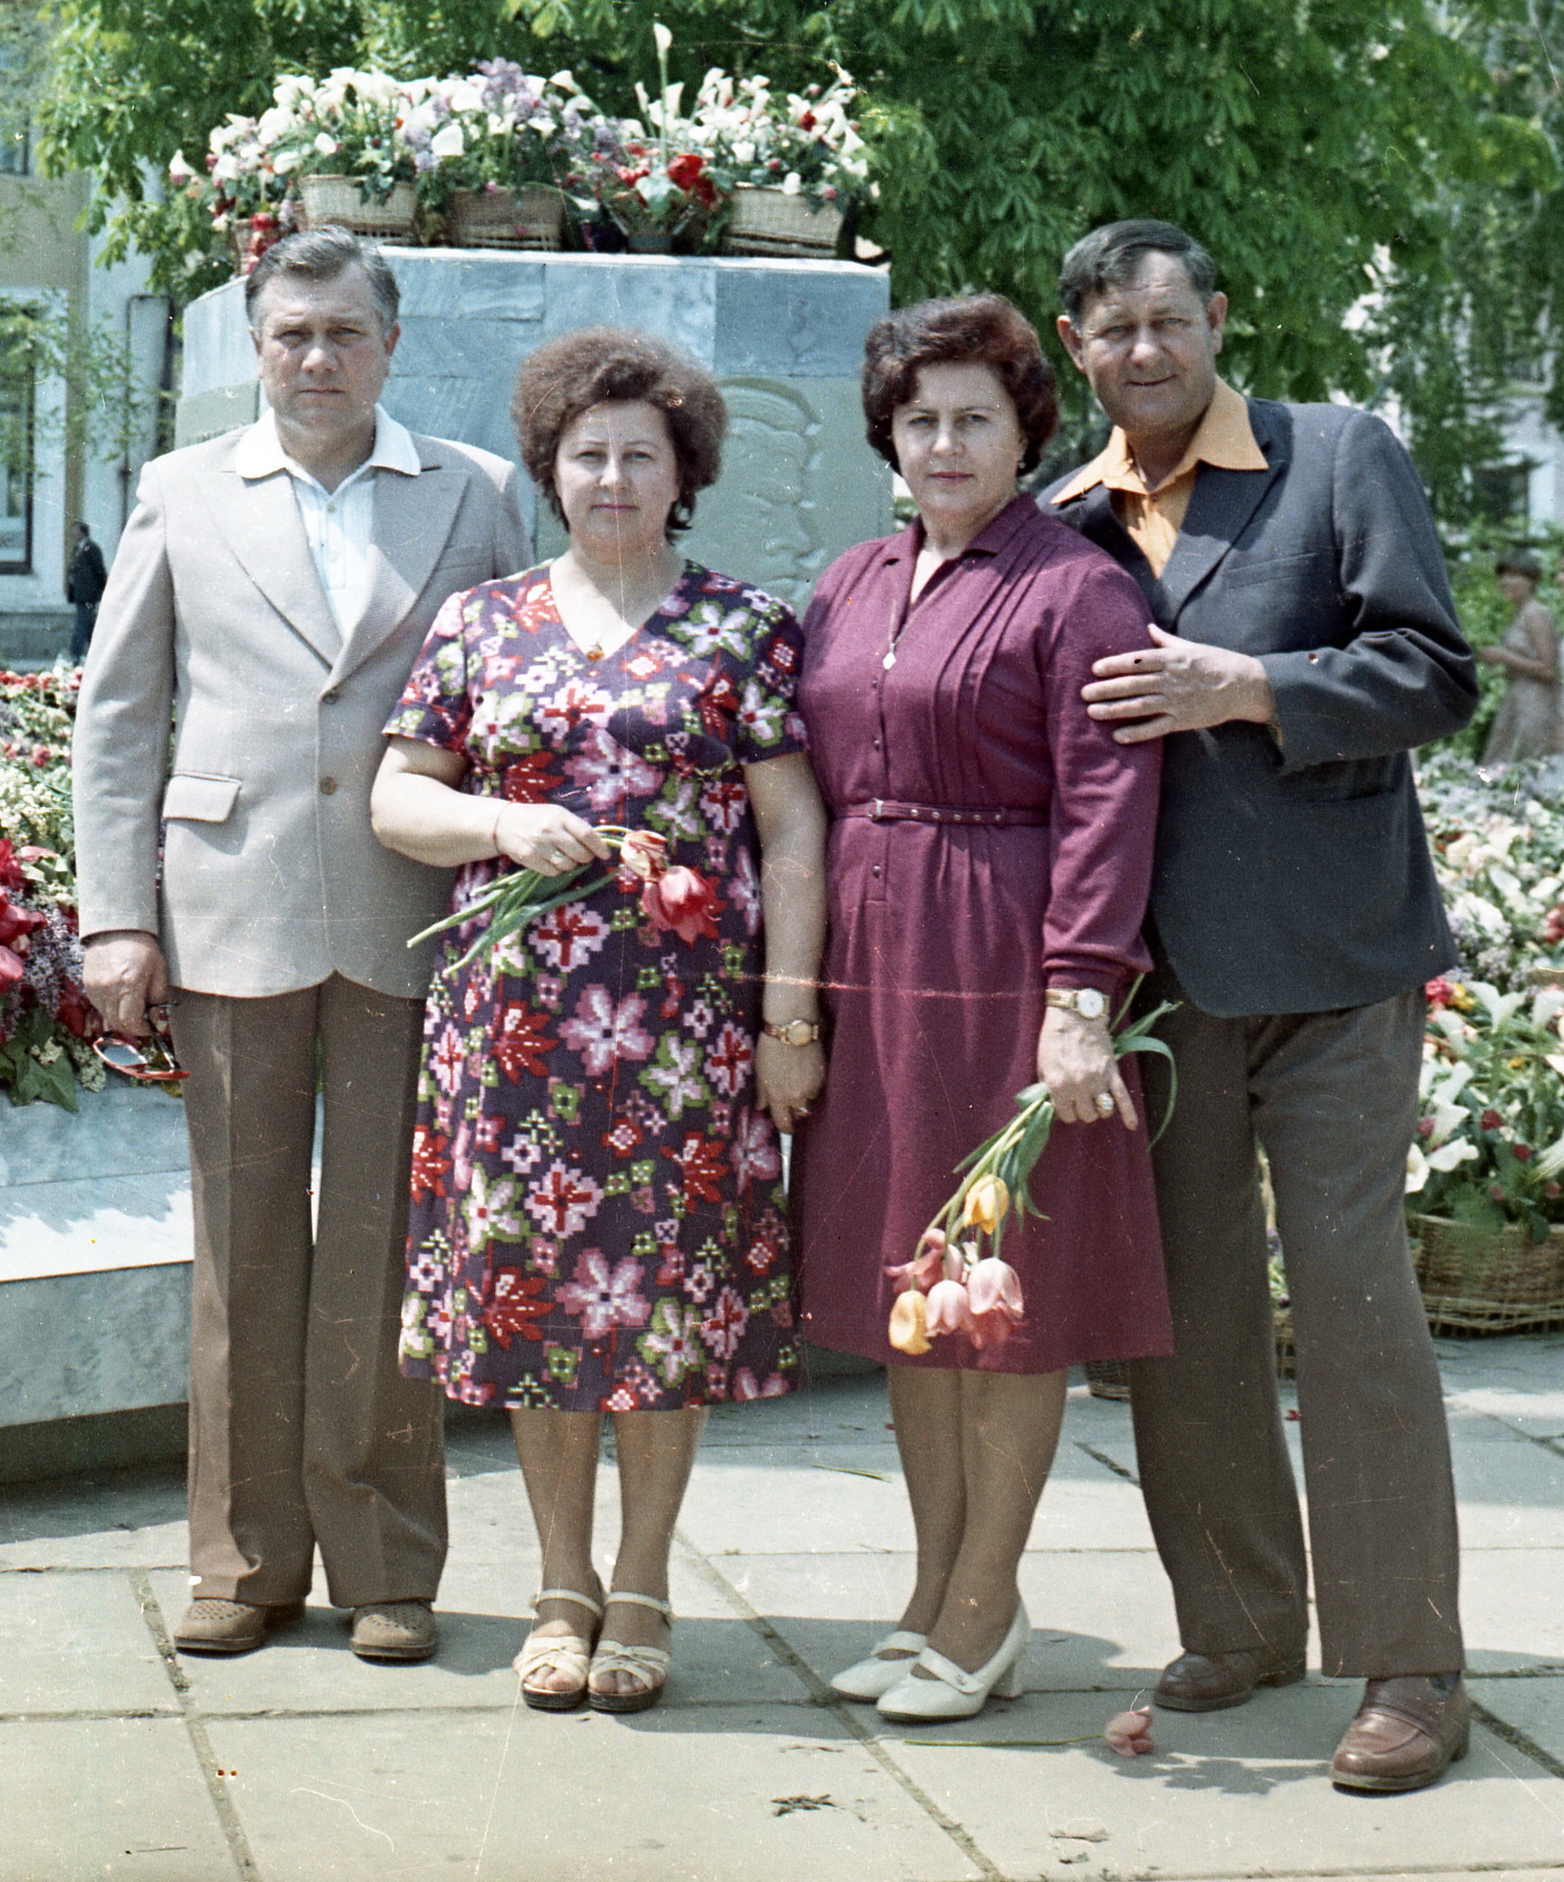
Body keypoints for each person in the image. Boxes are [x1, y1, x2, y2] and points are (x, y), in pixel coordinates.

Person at [1046, 217, 1479, 1792]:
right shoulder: (1061, 521)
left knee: (1355, 1299)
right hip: (1164, 991)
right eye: (1112, 328)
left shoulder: (1334, 456)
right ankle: (1237, 1616)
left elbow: (1436, 671)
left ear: (1220, 320)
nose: (1145, 350)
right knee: (1193, 1315)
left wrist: (1251, 687)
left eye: (1171, 319)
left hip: (1338, 967)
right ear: (1078, 348)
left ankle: (1411, 1664)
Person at [72, 227, 531, 1663]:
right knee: (243, 1253)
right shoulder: (178, 493)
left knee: (387, 1253)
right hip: (229, 912)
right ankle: (243, 1560)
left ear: (391, 346)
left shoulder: (477, 493)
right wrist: (116, 916)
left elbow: (517, 700)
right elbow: (120, 717)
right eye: (291, 335)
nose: (317, 358)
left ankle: (387, 1564)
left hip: (415, 920)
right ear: (256, 348)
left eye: (343, 333)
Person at [371, 326, 827, 1714]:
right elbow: (398, 801)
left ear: (684, 469)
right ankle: (559, 1585)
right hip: (519, 1037)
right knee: (537, 1301)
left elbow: (794, 832)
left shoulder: (742, 626)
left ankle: (643, 1584)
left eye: (641, 454)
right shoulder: (483, 622)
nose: (614, 477)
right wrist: (505, 821)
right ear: (550, 470)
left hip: (686, 1039)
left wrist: (790, 1019)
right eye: (588, 456)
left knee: (666, 1308)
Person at [790, 293, 1173, 1725]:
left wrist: (1079, 998)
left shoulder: (1078, 588)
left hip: (1006, 960)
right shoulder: (849, 582)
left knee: (1005, 1297)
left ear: (1027, 432)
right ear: (888, 438)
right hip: (874, 954)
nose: (943, 443)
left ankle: (985, 1606)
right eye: (918, 419)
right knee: (913, 1284)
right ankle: (927, 1592)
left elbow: (1109, 803)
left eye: (973, 418)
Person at [1477, 549, 1560, 765]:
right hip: (1517, 697)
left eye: (1513, 576)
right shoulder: (1521, 613)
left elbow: (1549, 669)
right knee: (1503, 766)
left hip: (1534, 704)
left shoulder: (1536, 613)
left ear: (1531, 580)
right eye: (1502, 576)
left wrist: (1503, 656)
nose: (1505, 582)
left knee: (1523, 766)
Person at [66, 521, 106, 660]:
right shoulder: (77, 548)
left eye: (75, 530)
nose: (72, 533)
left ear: (83, 532)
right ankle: (99, 653)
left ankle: (75, 654)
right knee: (88, 625)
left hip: (88, 594)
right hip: (79, 594)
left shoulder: (92, 548)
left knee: (82, 624)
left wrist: (104, 590)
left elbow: (99, 570)